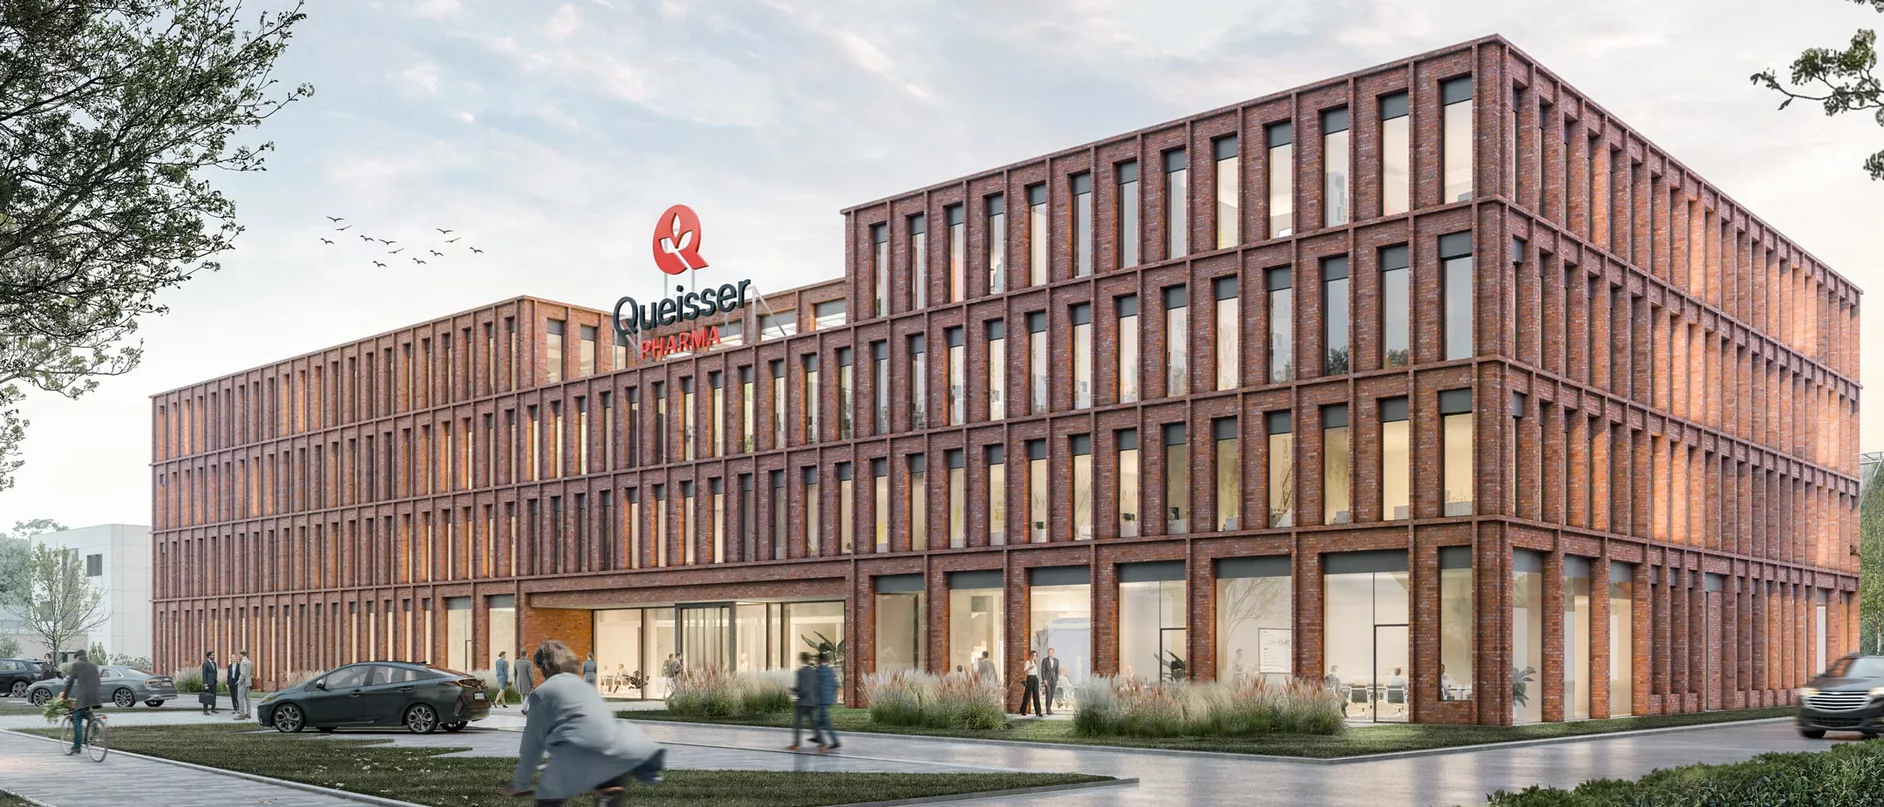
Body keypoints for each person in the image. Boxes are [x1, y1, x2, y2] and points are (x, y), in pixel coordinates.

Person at [500, 640, 665, 807]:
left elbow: (532, 744)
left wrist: (521, 783)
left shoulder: (540, 694)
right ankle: (609, 791)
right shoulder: (585, 687)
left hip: (574, 754)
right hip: (616, 752)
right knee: (607, 783)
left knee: (548, 797)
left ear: (543, 667)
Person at [61, 649, 102, 755]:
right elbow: (98, 681)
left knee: (77, 718)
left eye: (75, 659)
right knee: (87, 714)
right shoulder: (94, 666)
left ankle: (77, 746)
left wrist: (64, 697)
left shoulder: (77, 665)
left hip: (84, 697)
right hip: (96, 696)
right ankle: (93, 727)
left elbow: (70, 682)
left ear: (78, 658)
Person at [787, 652, 821, 752]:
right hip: (812, 701)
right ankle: (820, 740)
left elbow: (801, 688)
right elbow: (815, 686)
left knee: (797, 723)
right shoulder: (813, 672)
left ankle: (797, 744)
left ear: (802, 659)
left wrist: (793, 691)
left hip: (803, 702)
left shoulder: (800, 672)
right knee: (813, 722)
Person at [814, 653, 840, 753]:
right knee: (819, 723)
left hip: (822, 701)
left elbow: (815, 686)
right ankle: (818, 738)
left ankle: (830, 742)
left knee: (825, 723)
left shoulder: (818, 671)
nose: (816, 661)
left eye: (817, 659)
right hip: (828, 700)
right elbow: (835, 685)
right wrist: (833, 698)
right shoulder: (830, 671)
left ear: (820, 660)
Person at [1018, 651, 1043, 717]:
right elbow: (1025, 671)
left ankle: (1038, 712)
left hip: (1035, 678)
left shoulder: (1035, 662)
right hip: (1030, 678)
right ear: (1031, 655)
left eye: (1036, 655)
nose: (1035, 657)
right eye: (1034, 655)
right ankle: (1023, 710)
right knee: (1027, 694)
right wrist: (1030, 668)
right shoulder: (1028, 662)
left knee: (1036, 695)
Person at [231, 650, 254, 720]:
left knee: (240, 698)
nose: (239, 656)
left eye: (239, 655)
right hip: (248, 682)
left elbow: (243, 674)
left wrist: (239, 681)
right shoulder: (249, 662)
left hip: (243, 682)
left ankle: (241, 714)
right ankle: (248, 713)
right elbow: (252, 672)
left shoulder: (243, 662)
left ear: (241, 654)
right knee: (247, 698)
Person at [1040, 648, 1062, 716]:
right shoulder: (1045, 660)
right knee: (1048, 693)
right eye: (1049, 652)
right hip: (1047, 679)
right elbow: (1042, 670)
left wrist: (1056, 678)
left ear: (1053, 653)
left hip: (1054, 680)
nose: (1050, 653)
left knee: (1052, 694)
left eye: (1051, 652)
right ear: (1048, 653)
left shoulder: (1056, 660)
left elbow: (1057, 671)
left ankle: (1049, 708)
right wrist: (1044, 679)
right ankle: (1048, 709)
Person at [515, 649, 536, 716]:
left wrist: (516, 682)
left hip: (519, 681)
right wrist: (533, 683)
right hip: (527, 681)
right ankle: (524, 708)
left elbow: (515, 673)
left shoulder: (516, 662)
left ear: (521, 655)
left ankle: (525, 709)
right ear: (526, 655)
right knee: (527, 695)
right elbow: (530, 674)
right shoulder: (528, 662)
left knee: (523, 695)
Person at [200, 650, 220, 715]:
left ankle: (213, 709)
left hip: (214, 682)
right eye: (212, 655)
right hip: (208, 683)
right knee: (206, 696)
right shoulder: (205, 663)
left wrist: (215, 679)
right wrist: (205, 684)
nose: (214, 656)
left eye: (214, 655)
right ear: (209, 656)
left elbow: (215, 672)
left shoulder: (214, 663)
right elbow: (204, 674)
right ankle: (205, 710)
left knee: (214, 696)